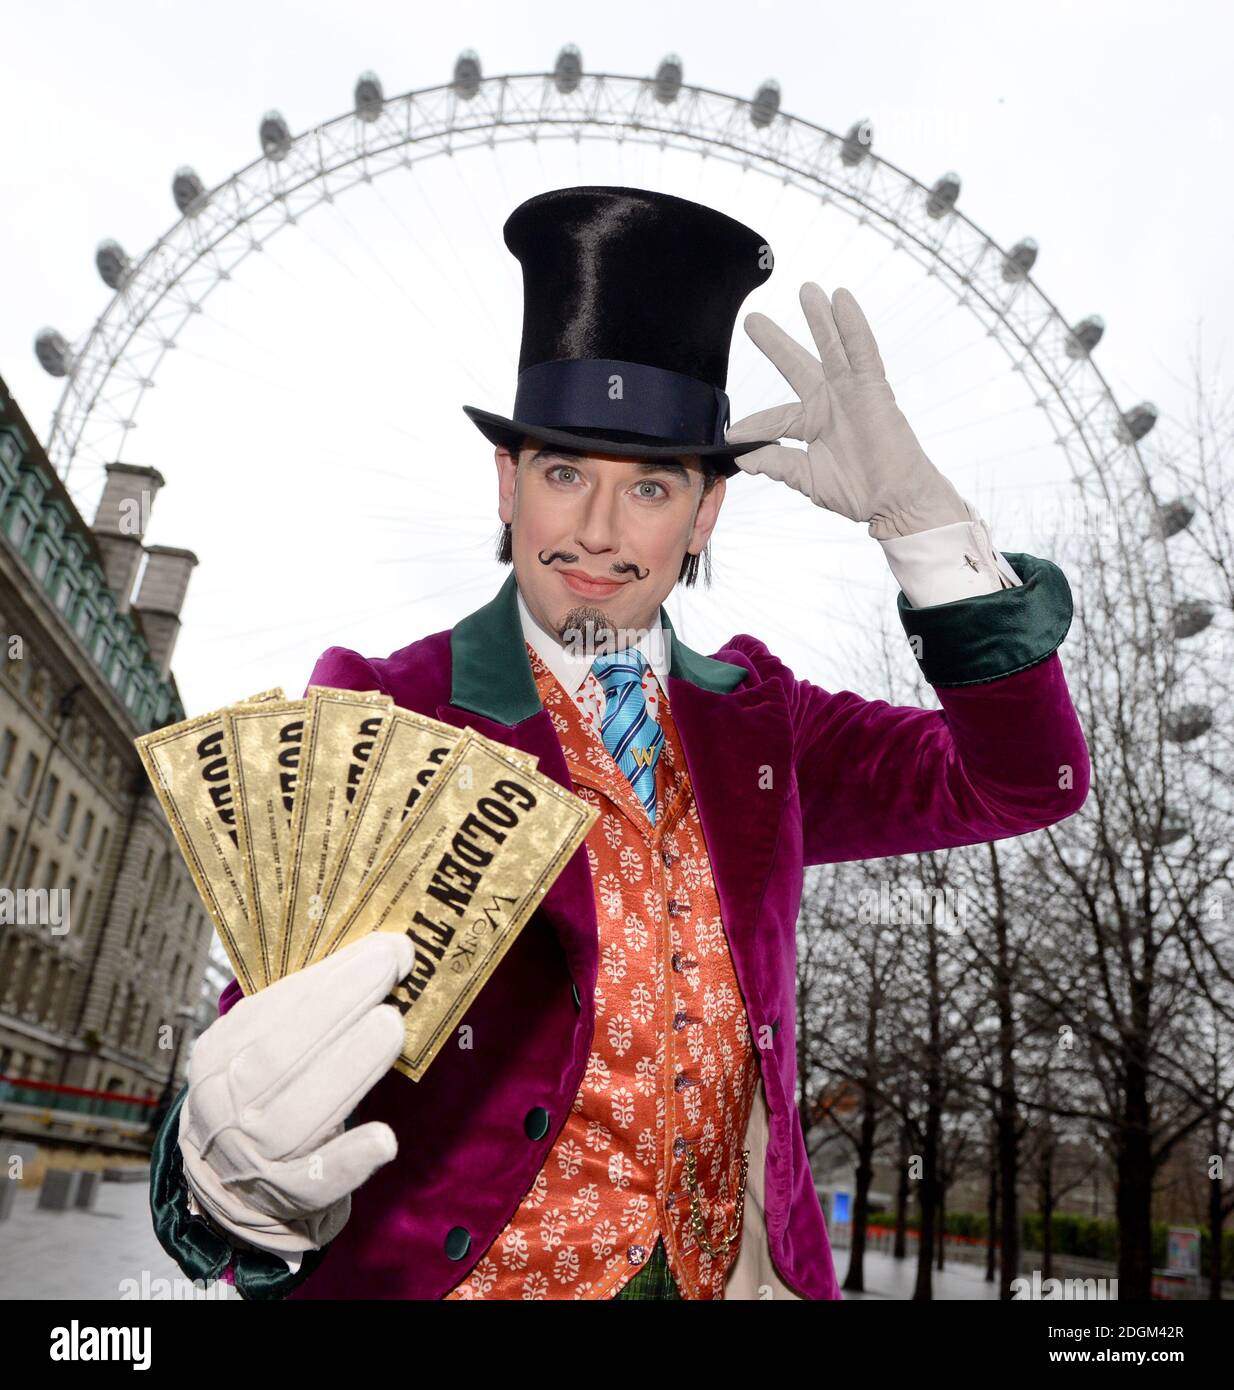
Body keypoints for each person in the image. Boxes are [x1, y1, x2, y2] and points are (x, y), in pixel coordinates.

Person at [149, 185, 1089, 1300]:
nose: (597, 533)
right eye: (562, 475)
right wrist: (218, 1177)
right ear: (505, 484)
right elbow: (267, 1059)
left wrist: (923, 528)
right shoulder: (383, 715)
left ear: (703, 516)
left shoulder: (765, 724)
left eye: (648, 485)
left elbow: (1028, 780)